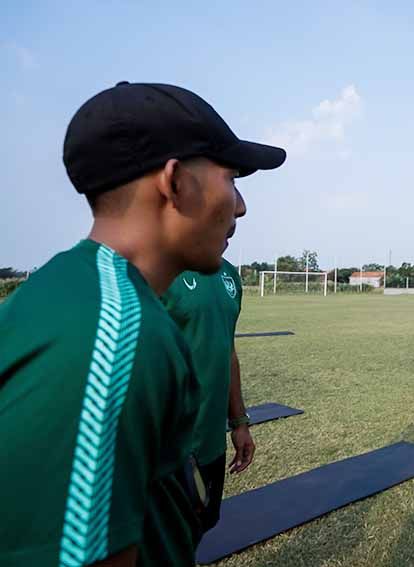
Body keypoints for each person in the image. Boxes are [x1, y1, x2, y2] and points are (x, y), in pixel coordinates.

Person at [0, 81, 285, 566]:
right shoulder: (111, 336)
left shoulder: (77, 291)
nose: (240, 206)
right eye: (231, 178)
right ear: (174, 182)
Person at [162, 256, 253, 537]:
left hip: (211, 442)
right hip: (167, 453)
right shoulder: (158, 268)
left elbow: (229, 352)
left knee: (200, 529)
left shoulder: (229, 275)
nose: (239, 210)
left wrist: (238, 422)